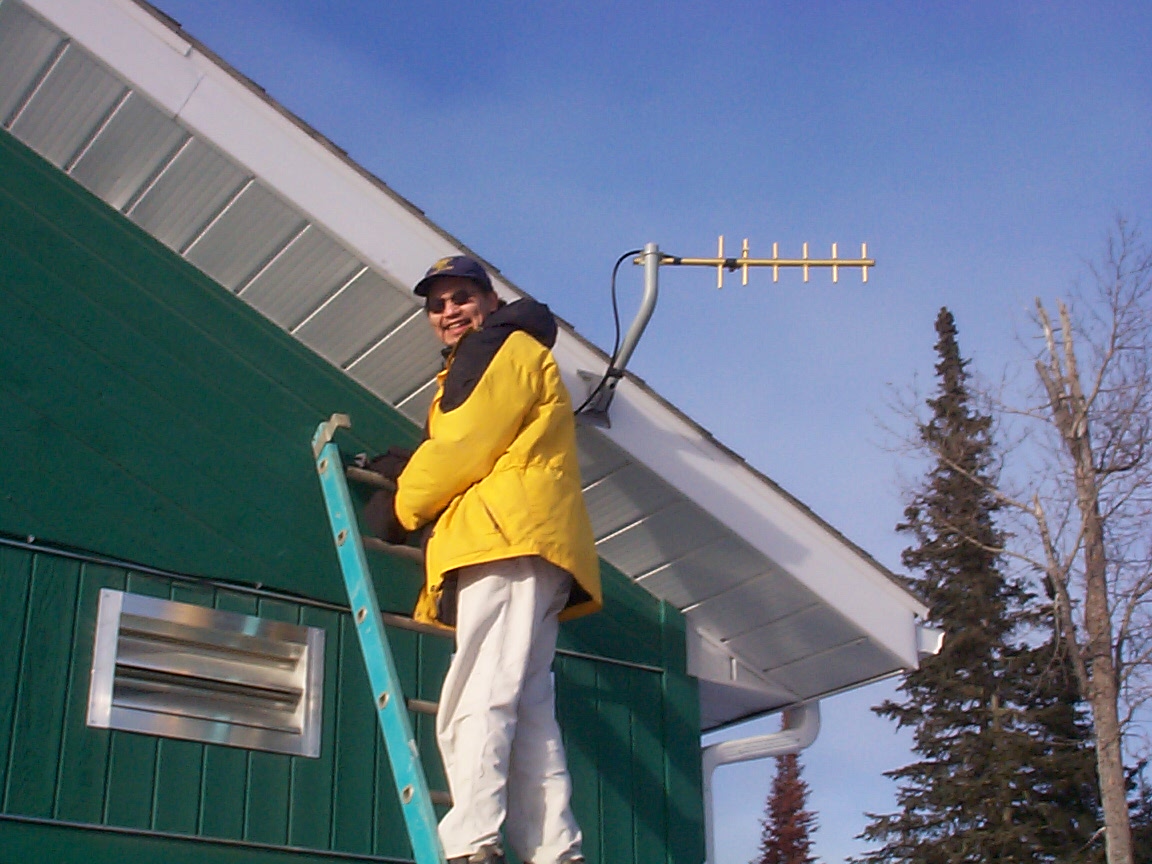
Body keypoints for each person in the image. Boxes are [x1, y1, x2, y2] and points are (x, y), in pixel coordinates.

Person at [384, 255, 602, 864]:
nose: (449, 311)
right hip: (529, 538)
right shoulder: (511, 351)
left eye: (461, 297)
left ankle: (471, 841)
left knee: (478, 690)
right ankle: (551, 848)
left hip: (504, 538)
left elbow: (462, 444)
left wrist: (404, 503)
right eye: (437, 304)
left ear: (489, 300)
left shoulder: (497, 348)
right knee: (528, 704)